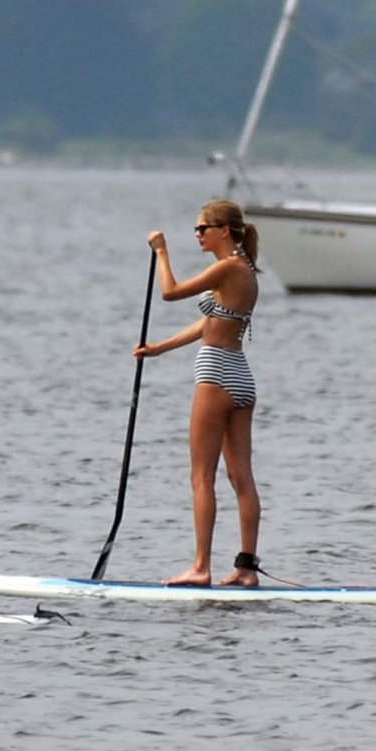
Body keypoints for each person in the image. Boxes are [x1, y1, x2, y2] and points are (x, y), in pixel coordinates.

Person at [134, 199, 263, 587]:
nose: (197, 235)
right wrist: (159, 348)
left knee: (201, 475)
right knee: (241, 476)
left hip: (216, 374)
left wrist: (161, 251)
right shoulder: (245, 271)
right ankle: (246, 569)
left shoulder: (227, 267)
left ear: (224, 231)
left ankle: (201, 567)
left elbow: (169, 292)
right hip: (241, 377)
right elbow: (209, 323)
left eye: (202, 229)